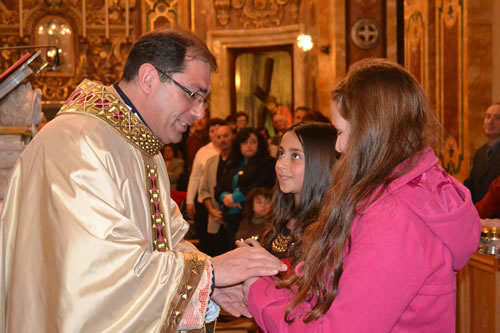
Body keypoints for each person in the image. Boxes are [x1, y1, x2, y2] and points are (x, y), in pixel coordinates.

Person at [0, 28, 286, 332]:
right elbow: (98, 279)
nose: (201, 112)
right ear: (149, 78)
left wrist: (206, 290)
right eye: (193, 94)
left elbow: (168, 244)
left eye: (205, 99)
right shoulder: (79, 143)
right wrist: (210, 272)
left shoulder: (140, 146)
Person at [242, 59, 481, 331]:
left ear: (372, 132)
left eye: (342, 132)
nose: (339, 146)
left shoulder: (395, 216)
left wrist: (257, 293)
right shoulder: (397, 196)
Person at [261, 121, 337, 277]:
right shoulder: (282, 215)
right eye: (281, 153)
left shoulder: (329, 228)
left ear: (320, 163)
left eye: (295, 156)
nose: (280, 164)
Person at [214, 128, 276, 245]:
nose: (249, 146)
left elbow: (262, 183)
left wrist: (237, 197)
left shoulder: (267, 162)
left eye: (253, 142)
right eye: (245, 142)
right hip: (230, 216)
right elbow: (218, 188)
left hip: (254, 217)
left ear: (260, 144)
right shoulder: (233, 163)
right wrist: (225, 197)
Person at [198, 124, 235, 256]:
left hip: (236, 218)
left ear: (233, 137)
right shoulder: (211, 162)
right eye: (219, 137)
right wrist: (212, 210)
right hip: (216, 218)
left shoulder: (240, 161)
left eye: (226, 136)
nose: (222, 140)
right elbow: (204, 190)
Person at [464, 102, 500, 203]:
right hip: (479, 214)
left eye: (497, 117)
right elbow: (471, 184)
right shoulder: (480, 152)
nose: (490, 121)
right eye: (488, 116)